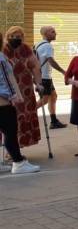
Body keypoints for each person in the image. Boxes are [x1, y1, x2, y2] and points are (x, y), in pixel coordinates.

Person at [0, 36, 40, 174]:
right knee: (10, 133)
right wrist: (15, 96)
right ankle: (18, 163)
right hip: (3, 103)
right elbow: (7, 78)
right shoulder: (1, 59)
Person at [2, 27, 43, 150]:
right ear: (8, 36)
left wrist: (39, 83)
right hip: (9, 88)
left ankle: (18, 148)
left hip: (26, 88)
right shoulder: (4, 49)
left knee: (25, 116)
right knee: (12, 118)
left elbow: (35, 65)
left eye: (19, 36)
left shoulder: (25, 48)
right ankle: (12, 150)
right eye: (13, 36)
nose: (16, 38)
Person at [35, 26, 67, 129]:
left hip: (44, 76)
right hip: (44, 77)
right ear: (45, 33)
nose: (55, 33)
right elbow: (51, 61)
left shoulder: (38, 44)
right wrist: (63, 71)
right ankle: (26, 115)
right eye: (52, 32)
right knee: (44, 100)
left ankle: (53, 121)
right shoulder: (47, 46)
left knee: (53, 96)